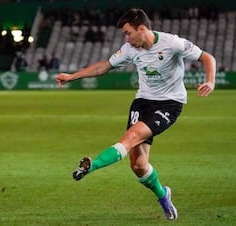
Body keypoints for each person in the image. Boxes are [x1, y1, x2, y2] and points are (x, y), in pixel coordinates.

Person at [55, 8, 216, 220]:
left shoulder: (172, 43)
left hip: (169, 104)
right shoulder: (130, 49)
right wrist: (72, 76)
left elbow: (207, 57)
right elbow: (103, 67)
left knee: (130, 138)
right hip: (142, 103)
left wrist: (210, 81)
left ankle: (91, 166)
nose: (126, 38)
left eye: (128, 33)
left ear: (142, 29)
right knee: (138, 166)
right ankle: (163, 194)